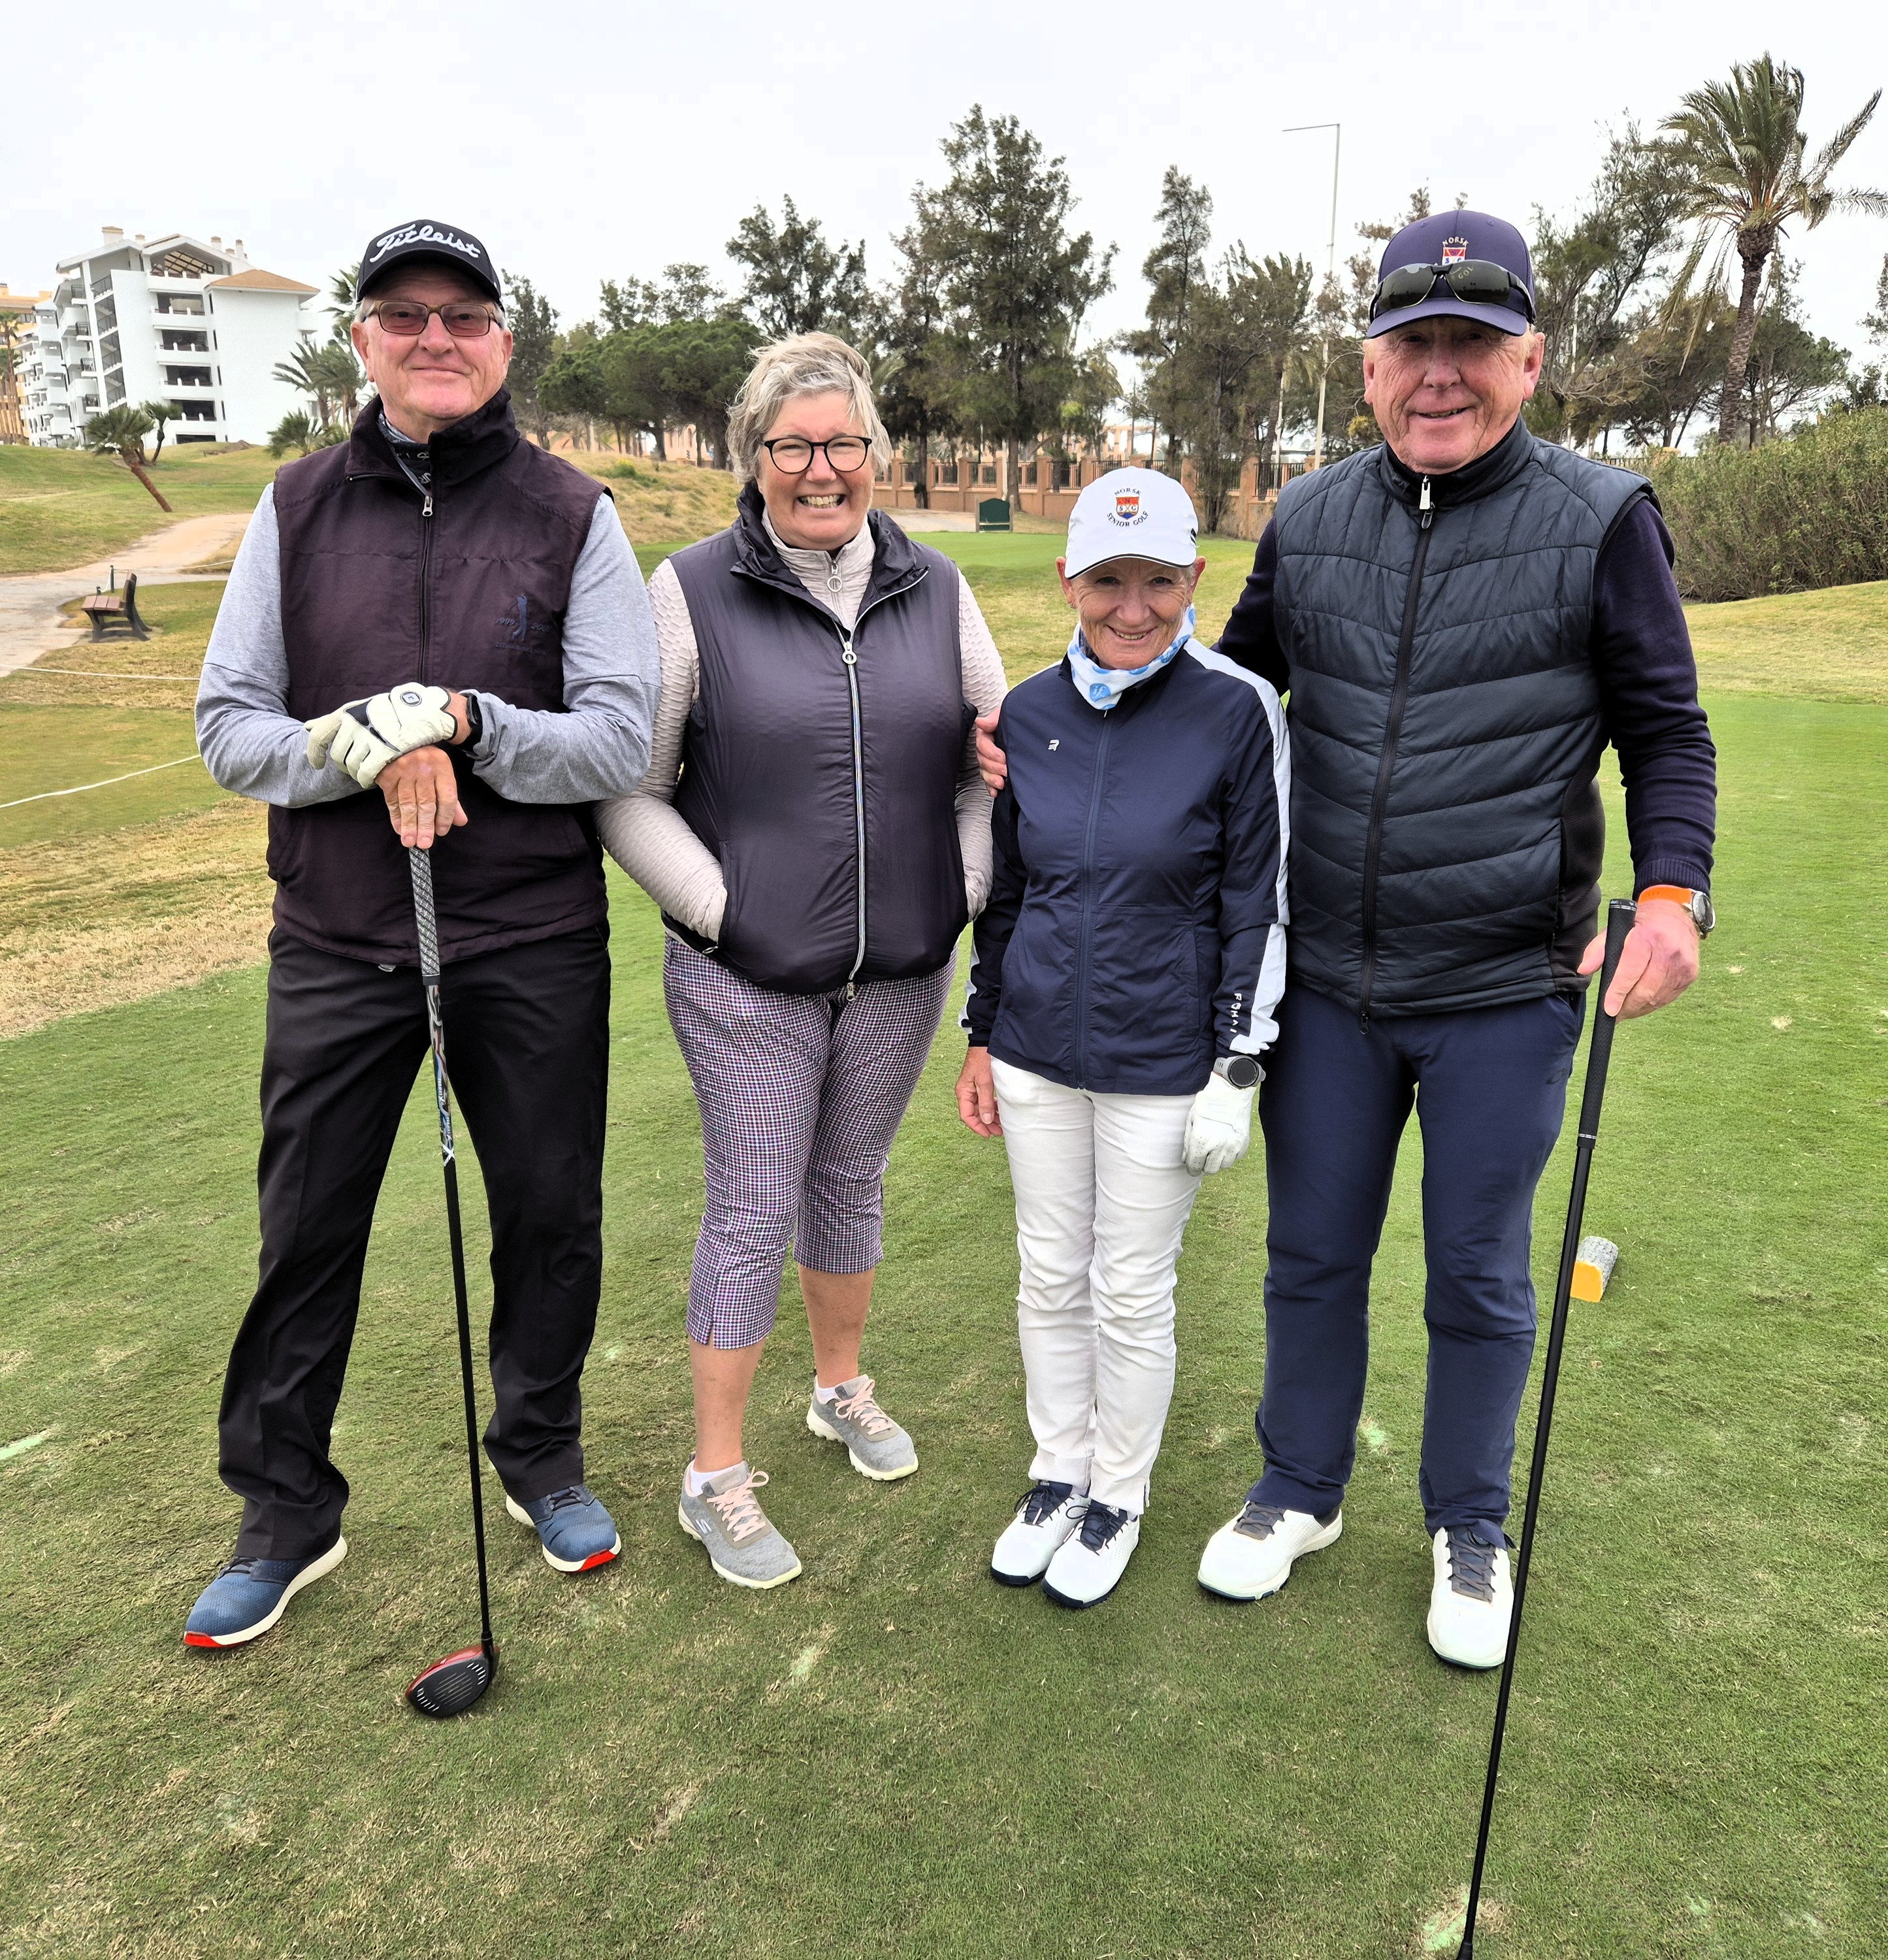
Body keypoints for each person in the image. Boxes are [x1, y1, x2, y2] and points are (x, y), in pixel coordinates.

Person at [980, 212, 1716, 1665]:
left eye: (1469, 344)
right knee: (1310, 1253)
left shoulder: (1600, 515)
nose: (1437, 373)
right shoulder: (1311, 518)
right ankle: (1297, 1489)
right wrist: (1052, 733)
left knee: (1475, 1272)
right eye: (1408, 344)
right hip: (1324, 979)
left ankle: (1467, 1525)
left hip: (1503, 976)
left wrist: (1675, 892)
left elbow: (1665, 730)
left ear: (1528, 361)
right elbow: (1218, 691)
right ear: (1368, 366)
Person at [184, 218, 660, 1648]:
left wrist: (462, 721)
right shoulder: (295, 506)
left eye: (463, 315)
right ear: (362, 342)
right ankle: (286, 1510)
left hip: (529, 936)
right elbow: (229, 729)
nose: (435, 337)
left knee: (549, 1214)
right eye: (404, 315)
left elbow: (617, 739)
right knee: (304, 1229)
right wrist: (365, 740)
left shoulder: (573, 513)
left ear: (503, 341)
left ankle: (541, 1456)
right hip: (338, 938)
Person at [598, 333, 1007, 1590]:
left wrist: (957, 893)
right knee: (754, 1201)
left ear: (875, 452)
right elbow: (629, 789)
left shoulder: (937, 588)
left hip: (899, 973)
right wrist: (725, 914)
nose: (821, 469)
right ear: (753, 457)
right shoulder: (690, 590)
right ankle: (712, 1475)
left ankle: (839, 1389)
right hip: (744, 977)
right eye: (793, 446)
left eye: (843, 444)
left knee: (850, 1182)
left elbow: (991, 765)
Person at [956, 468, 1288, 1610]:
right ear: (1069, 581)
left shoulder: (1237, 709)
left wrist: (1238, 1059)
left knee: (1130, 1288)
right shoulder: (1027, 713)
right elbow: (1009, 893)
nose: (1132, 608)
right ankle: (1058, 1472)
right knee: (1050, 1272)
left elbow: (1257, 899)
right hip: (1036, 1048)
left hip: (1163, 1060)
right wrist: (981, 1033)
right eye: (1107, 582)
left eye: (1157, 582)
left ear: (1195, 578)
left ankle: (1117, 1494)